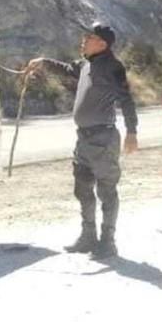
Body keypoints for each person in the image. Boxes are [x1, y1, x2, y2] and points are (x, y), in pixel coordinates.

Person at [27, 21, 139, 260]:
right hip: (84, 139)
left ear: (101, 43)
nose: (83, 40)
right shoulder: (86, 65)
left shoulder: (113, 67)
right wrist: (44, 62)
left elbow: (127, 100)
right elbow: (67, 69)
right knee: (82, 187)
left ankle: (108, 242)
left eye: (88, 37)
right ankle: (88, 236)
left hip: (103, 138)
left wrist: (132, 132)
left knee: (106, 191)